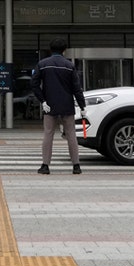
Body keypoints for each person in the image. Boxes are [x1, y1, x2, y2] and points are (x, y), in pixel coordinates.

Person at [30, 37, 86, 175]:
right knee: (71, 134)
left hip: (49, 104)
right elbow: (76, 88)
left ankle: (45, 166)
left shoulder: (43, 64)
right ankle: (76, 166)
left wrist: (42, 100)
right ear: (64, 51)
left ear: (50, 49)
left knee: (48, 134)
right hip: (67, 105)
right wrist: (82, 106)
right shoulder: (69, 65)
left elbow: (34, 84)